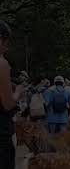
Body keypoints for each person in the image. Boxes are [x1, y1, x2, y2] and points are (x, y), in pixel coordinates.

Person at [0, 20, 25, 169]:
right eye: (5, 40)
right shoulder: (2, 63)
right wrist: (18, 91)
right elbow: (8, 103)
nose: (6, 45)